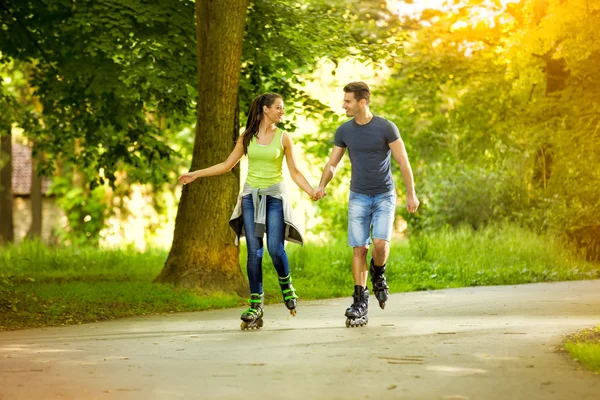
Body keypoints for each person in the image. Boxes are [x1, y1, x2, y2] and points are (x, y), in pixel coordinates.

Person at [179, 93, 317, 330]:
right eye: (278, 108)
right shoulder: (247, 137)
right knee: (254, 252)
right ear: (265, 109)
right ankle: (255, 304)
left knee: (275, 248)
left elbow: (294, 172)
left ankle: (286, 285)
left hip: (274, 197)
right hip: (250, 198)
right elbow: (226, 165)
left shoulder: (284, 138)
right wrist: (196, 174)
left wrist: (311, 191)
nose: (282, 112)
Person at [314, 82, 419, 328]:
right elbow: (332, 163)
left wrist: (411, 194)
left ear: (362, 102)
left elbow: (403, 162)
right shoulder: (344, 131)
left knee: (380, 244)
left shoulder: (386, 128)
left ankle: (378, 274)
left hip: (384, 195)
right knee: (359, 248)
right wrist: (322, 185)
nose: (344, 105)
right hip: (358, 196)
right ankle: (360, 300)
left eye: (348, 101)